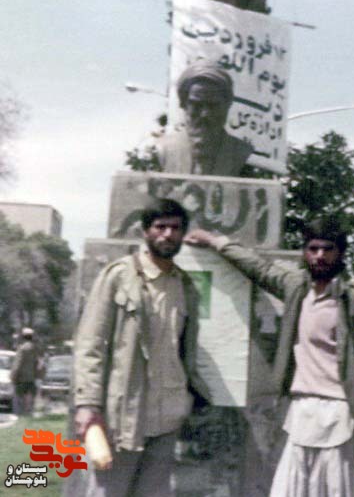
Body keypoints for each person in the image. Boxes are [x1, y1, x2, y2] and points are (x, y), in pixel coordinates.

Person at [184, 216, 354, 497]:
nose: (319, 256)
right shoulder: (296, 288)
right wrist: (214, 241)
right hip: (301, 412)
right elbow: (257, 267)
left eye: (328, 249)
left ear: (340, 253)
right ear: (304, 252)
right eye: (313, 248)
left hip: (342, 416)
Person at [73, 198, 211, 497]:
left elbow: (184, 350)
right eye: (160, 227)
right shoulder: (118, 276)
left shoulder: (185, 285)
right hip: (122, 417)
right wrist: (87, 404)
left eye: (175, 228)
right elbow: (90, 344)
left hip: (167, 417)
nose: (167, 234)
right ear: (146, 231)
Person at [158, 61, 254, 177]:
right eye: (197, 105)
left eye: (213, 106)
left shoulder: (243, 155)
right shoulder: (161, 151)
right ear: (183, 104)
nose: (205, 114)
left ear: (227, 105)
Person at [11, 327, 39, 415]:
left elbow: (17, 364)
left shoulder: (22, 349)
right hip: (32, 378)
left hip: (21, 379)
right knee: (29, 401)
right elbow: (37, 363)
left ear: (23, 337)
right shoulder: (35, 349)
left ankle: (19, 416)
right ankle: (28, 415)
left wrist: (13, 376)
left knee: (18, 400)